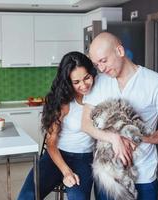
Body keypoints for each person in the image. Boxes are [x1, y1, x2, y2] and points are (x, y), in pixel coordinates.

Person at [81, 32, 158, 200]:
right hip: (108, 176)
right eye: (96, 64)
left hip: (143, 175)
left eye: (104, 61)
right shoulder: (99, 83)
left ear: (120, 51)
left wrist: (139, 138)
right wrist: (114, 138)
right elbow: (85, 124)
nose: (101, 69)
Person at [17, 51, 98, 200]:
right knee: (26, 196)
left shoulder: (100, 92)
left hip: (84, 158)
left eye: (87, 78)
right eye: (76, 82)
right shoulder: (63, 102)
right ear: (68, 82)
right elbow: (51, 143)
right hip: (56, 155)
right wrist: (66, 171)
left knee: (78, 197)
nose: (84, 85)